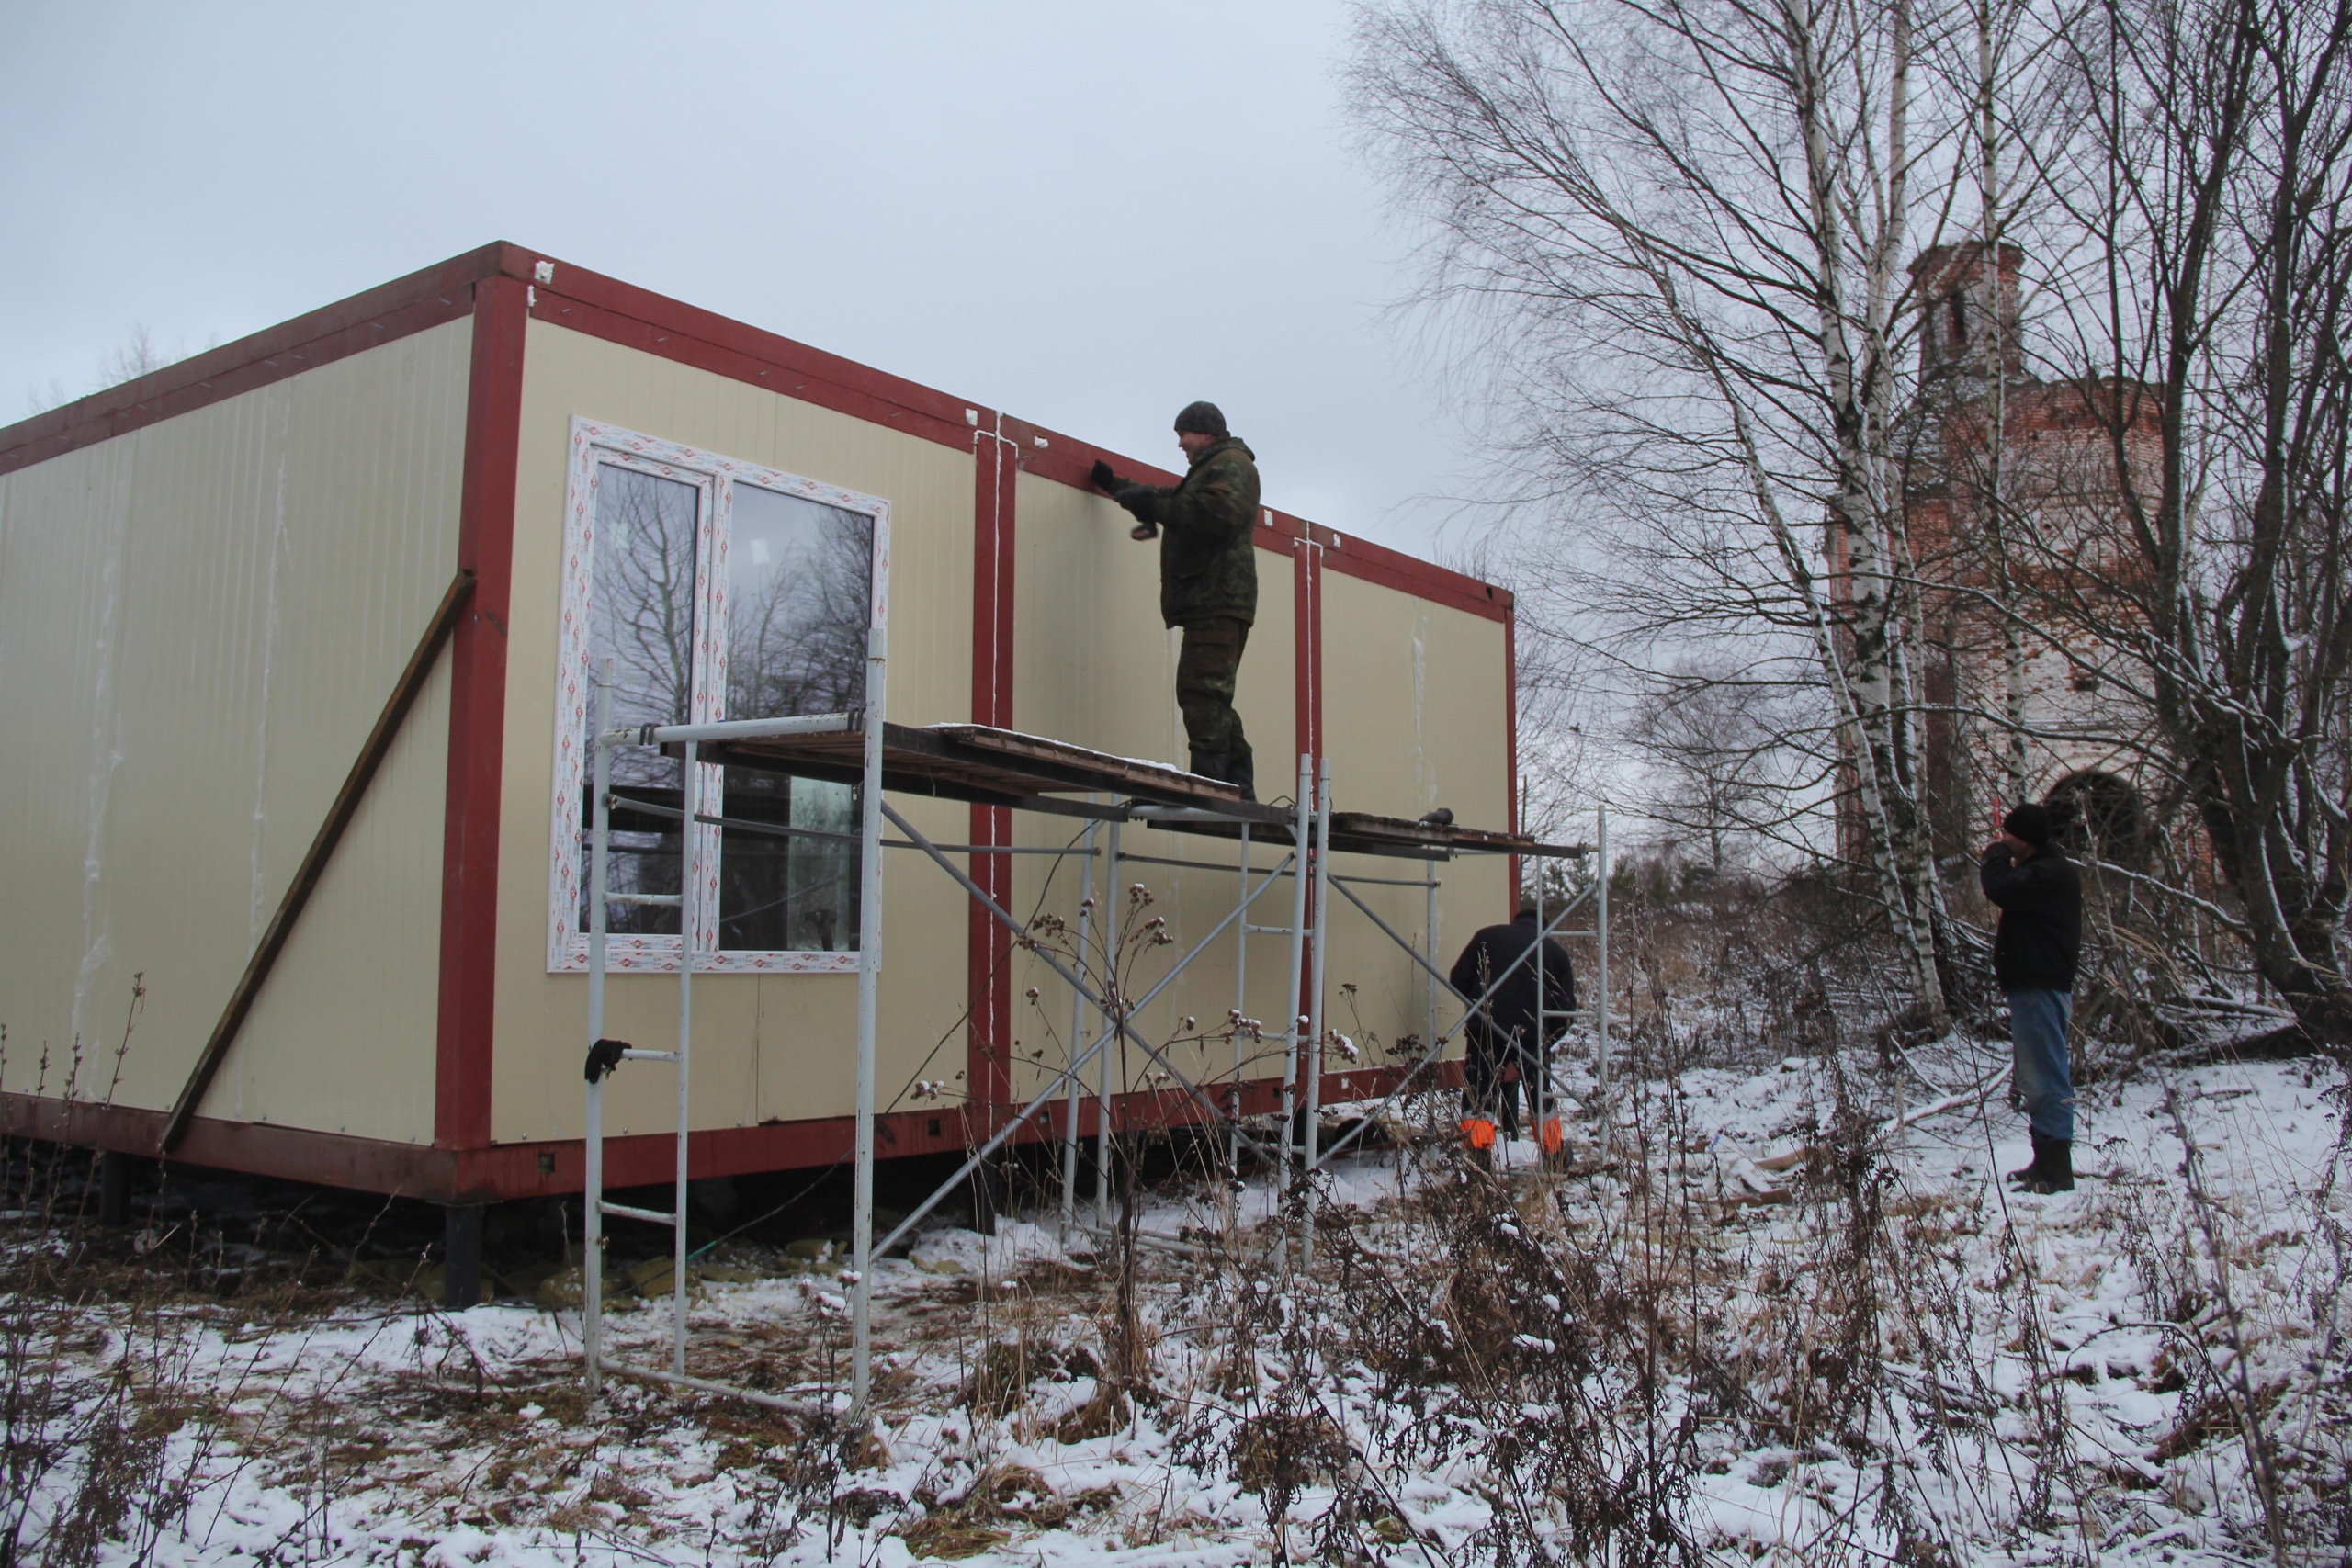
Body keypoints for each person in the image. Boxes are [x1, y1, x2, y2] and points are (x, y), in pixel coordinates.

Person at [1089, 402, 1260, 799]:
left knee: (1201, 692)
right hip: (1214, 599)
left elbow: (1214, 512)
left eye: (1184, 433)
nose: (1180, 443)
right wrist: (1120, 487)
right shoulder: (1215, 466)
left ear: (1207, 432)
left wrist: (1153, 504)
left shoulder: (1232, 463)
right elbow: (1175, 501)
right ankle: (1235, 786)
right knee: (1210, 693)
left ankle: (1212, 787)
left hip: (1217, 599)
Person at [1980, 801, 2083, 1194]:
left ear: (2025, 839)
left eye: (2009, 834)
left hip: (2041, 986)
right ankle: (2045, 1162)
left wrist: (1993, 856)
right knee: (2035, 1075)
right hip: (2033, 986)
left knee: (2046, 1075)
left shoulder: (2049, 874)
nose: (2003, 839)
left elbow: (2000, 888)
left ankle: (2057, 1169)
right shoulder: (2043, 872)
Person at [1449, 898, 1577, 1156]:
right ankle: (1553, 1153)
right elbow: (1565, 1011)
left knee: (1479, 1091)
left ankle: (1478, 1154)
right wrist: (1545, 1041)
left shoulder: (1486, 936)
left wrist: (1479, 1007)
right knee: (1540, 1095)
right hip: (1532, 1032)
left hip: (1485, 1028)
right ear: (1544, 928)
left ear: (1515, 922)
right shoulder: (1554, 951)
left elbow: (1457, 979)